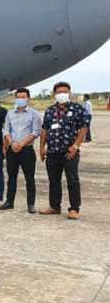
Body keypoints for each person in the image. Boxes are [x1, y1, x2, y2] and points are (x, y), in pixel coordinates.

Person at [39, 82, 90, 220]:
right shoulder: (49, 111)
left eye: (65, 91)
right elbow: (44, 129)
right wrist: (41, 148)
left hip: (69, 151)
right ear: (55, 94)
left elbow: (83, 128)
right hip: (53, 151)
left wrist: (75, 146)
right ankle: (54, 206)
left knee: (72, 180)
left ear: (69, 92)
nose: (62, 94)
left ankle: (74, 208)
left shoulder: (77, 109)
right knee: (53, 180)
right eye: (59, 91)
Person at [0, 88, 41, 213]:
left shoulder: (34, 114)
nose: (21, 99)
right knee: (11, 177)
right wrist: (11, 143)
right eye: (18, 97)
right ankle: (9, 201)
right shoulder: (10, 114)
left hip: (26, 150)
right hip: (12, 149)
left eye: (23, 97)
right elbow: (6, 130)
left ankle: (31, 204)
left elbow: (36, 132)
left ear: (28, 99)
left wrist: (21, 144)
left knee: (30, 178)